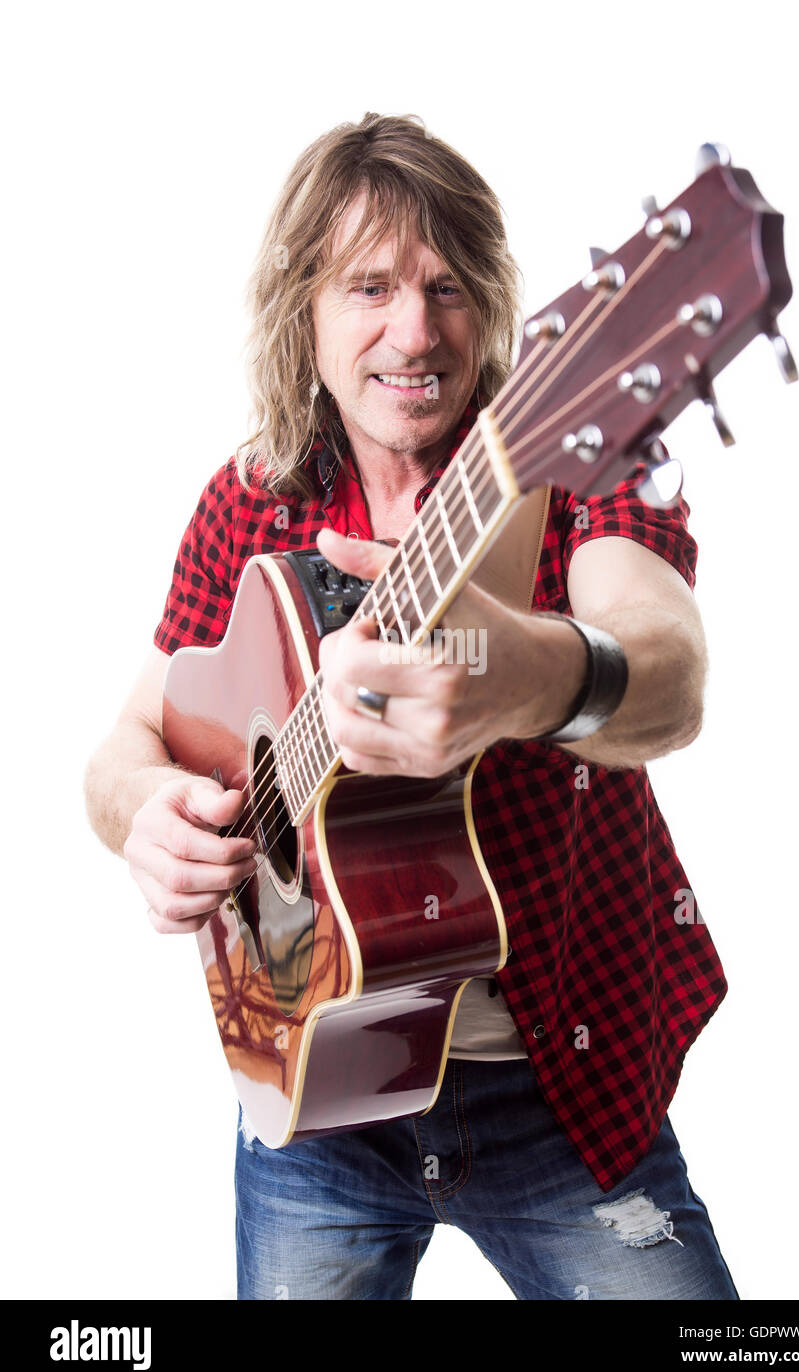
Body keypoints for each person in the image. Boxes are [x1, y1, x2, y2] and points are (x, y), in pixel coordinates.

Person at [85, 112, 738, 1301]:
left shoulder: (568, 460)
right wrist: (147, 812)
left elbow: (666, 671)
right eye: (368, 286)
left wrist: (526, 677)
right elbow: (126, 743)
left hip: (562, 1087)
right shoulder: (252, 498)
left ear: (493, 306)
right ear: (305, 311)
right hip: (309, 1093)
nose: (413, 330)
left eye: (446, 287)